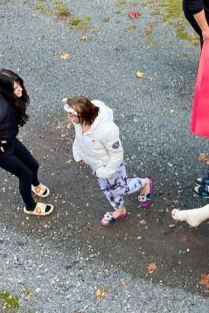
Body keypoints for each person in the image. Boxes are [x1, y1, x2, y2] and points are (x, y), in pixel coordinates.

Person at [0, 69, 53, 216]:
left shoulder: (4, 98)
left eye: (19, 84)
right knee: (25, 174)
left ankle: (35, 186)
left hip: (9, 140)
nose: (20, 89)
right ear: (4, 90)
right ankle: (30, 207)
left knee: (33, 165)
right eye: (15, 88)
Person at [64, 97, 152, 227]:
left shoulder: (106, 131)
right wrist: (79, 154)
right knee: (106, 189)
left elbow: (116, 153)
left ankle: (144, 183)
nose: (68, 117)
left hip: (111, 167)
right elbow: (79, 139)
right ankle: (119, 209)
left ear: (83, 115)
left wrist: (107, 171)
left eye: (71, 114)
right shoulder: (79, 123)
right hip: (97, 165)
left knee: (122, 188)